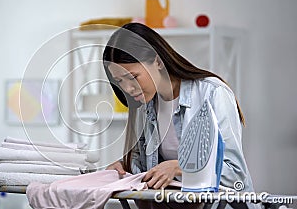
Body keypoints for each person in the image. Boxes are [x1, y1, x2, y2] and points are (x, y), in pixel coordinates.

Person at [103, 23, 256, 208]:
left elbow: (235, 174)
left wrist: (180, 167)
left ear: (158, 62)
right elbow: (146, 171)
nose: (128, 88)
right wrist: (122, 168)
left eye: (133, 77)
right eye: (120, 81)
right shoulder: (145, 106)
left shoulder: (212, 92)